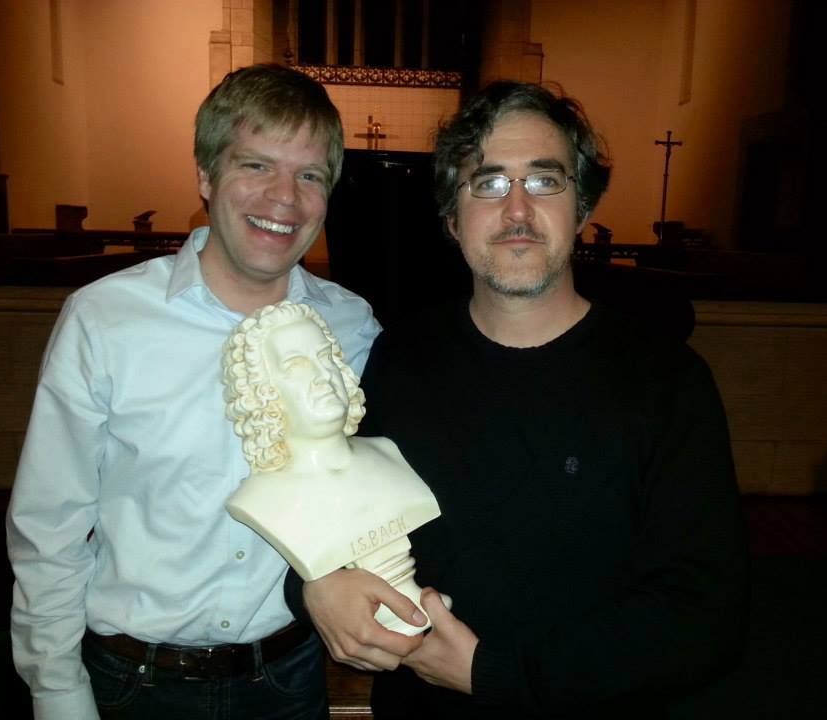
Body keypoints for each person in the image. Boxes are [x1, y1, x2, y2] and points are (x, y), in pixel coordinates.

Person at [292, 81, 749, 718]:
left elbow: (706, 616)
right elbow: (330, 510)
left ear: (581, 207)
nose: (516, 209)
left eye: (543, 180)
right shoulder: (400, 358)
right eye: (488, 183)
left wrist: (496, 676)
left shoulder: (667, 380)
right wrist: (314, 584)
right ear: (452, 219)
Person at [6, 64, 381, 720]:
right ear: (206, 175)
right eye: (256, 166)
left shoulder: (352, 327)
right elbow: (50, 524)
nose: (285, 199)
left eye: (310, 175)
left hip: (288, 679)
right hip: (133, 684)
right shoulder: (105, 319)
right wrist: (56, 689)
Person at [221, 301, 442, 634]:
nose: (323, 375)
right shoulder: (260, 501)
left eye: (325, 358)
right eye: (296, 366)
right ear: (261, 391)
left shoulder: (389, 453)